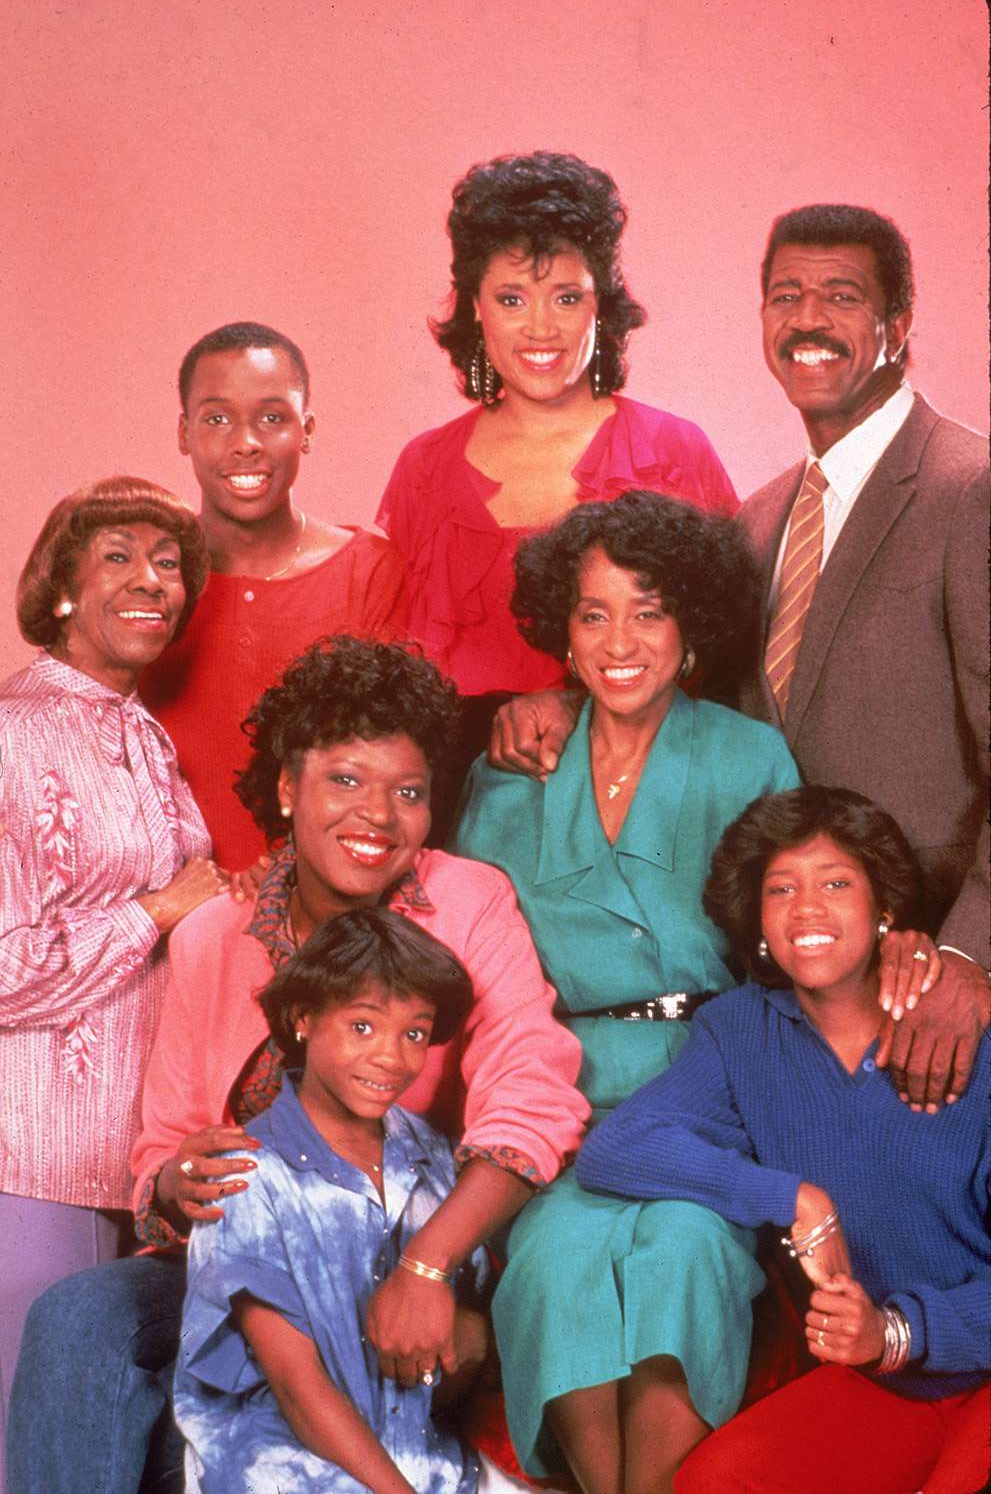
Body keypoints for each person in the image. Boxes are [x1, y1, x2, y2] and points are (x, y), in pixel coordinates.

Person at [7, 636, 588, 1494]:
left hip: (398, 1252)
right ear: (287, 788)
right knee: (76, 1316)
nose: (378, 816)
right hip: (237, 1258)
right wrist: (175, 1181)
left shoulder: (467, 902)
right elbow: (162, 1141)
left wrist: (430, 1265)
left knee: (219, 1436)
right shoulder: (212, 935)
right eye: (345, 781)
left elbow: (532, 1093)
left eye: (409, 792)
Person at [489, 202, 990, 1112]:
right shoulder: (760, 523)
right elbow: (664, 682)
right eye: (785, 295)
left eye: (842, 295)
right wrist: (568, 699)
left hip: (924, 981)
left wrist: (967, 957)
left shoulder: (969, 489)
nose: (808, 319)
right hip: (778, 983)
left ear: (900, 325)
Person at [451, 492, 807, 1492]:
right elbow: (469, 955)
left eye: (647, 610)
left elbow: (786, 955)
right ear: (559, 631)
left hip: (705, 1087)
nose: (620, 640)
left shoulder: (747, 756)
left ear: (690, 623)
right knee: (557, 1269)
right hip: (557, 1091)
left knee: (683, 1257)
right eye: (593, 611)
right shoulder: (512, 768)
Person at [577, 786, 990, 1494]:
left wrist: (895, 1332)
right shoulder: (739, 1031)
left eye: (835, 883)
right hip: (889, 1391)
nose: (807, 909)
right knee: (713, 1483)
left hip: (964, 1365)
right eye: (780, 889)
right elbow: (616, 1147)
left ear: (882, 906)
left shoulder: (960, 1030)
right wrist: (790, 1195)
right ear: (758, 921)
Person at [376, 151, 737, 826]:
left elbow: (728, 663)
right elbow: (394, 687)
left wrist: (577, 704)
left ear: (602, 306)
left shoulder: (672, 451)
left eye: (566, 297)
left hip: (646, 800)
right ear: (475, 311)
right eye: (512, 298)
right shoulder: (423, 469)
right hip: (460, 812)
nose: (540, 328)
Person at [0, 478, 228, 1484]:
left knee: (103, 1454)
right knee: (30, 1447)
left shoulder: (146, 734)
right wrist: (157, 911)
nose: (152, 580)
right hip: (29, 1154)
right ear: (59, 590)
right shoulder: (12, 730)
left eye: (169, 563)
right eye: (119, 558)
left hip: (131, 1164)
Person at [177, 906, 530, 1494]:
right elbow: (297, 1388)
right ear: (303, 1019)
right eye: (363, 1026)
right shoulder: (246, 1175)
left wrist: (471, 1333)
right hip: (287, 1467)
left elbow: (464, 1331)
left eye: (413, 1033)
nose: (391, 1057)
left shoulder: (434, 1156)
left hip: (422, 1459)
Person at [140, 321, 407, 868]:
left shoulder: (369, 572)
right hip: (166, 898)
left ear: (306, 430)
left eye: (272, 418)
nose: (246, 443)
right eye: (217, 419)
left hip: (322, 902)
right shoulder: (145, 581)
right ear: (184, 433)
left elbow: (391, 765)